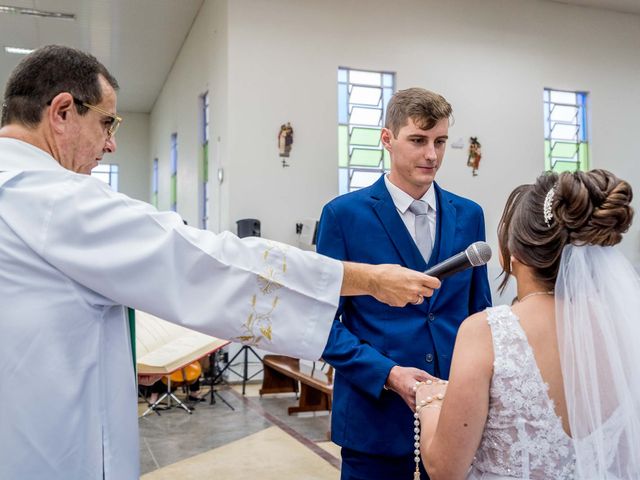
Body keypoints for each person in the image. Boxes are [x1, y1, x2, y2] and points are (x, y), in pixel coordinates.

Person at [0, 45, 441, 480]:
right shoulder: (52, 199)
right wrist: (369, 278)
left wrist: (118, 359)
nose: (111, 143)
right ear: (61, 112)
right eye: (106, 123)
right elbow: (203, 261)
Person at [417, 169, 640, 479]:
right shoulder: (625, 330)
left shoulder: (487, 333)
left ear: (513, 253)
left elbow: (444, 469)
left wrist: (429, 400)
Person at [317, 87, 492, 479]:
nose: (431, 155)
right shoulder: (343, 216)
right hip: (373, 418)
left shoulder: (469, 215)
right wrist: (389, 374)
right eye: (418, 140)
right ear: (387, 139)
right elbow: (322, 323)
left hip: (454, 416)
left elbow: (480, 315)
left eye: (440, 142)